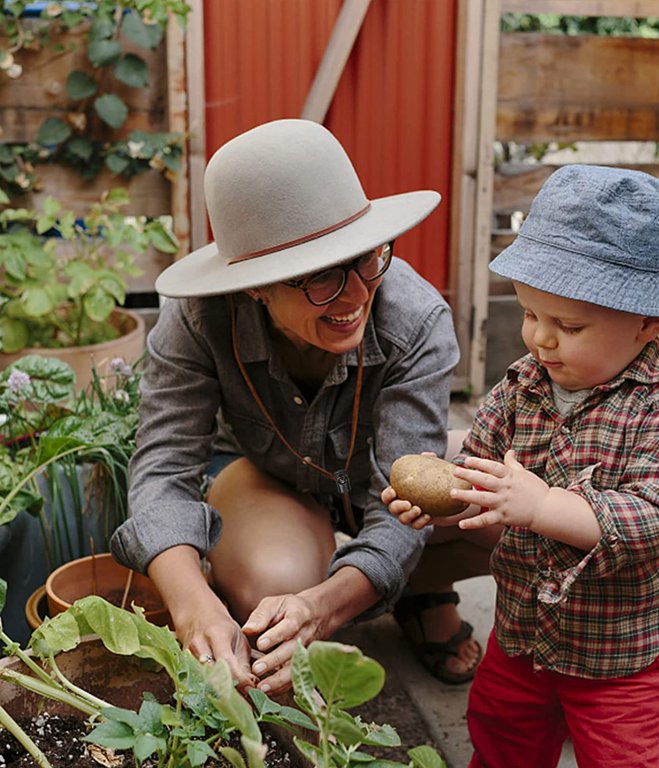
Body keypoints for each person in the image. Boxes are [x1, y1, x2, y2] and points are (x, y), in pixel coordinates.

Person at [110, 118, 491, 695]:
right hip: (275, 481)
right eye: (322, 279)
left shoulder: (415, 318)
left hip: (384, 483)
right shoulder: (199, 320)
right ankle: (351, 585)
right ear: (256, 287)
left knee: (510, 503)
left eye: (368, 258)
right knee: (273, 578)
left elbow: (402, 499)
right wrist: (193, 606)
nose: (359, 294)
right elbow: (163, 468)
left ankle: (420, 589)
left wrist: (326, 608)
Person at [385, 165, 659, 767]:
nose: (541, 339)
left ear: (648, 322)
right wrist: (442, 498)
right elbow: (481, 468)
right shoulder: (521, 387)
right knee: (502, 740)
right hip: (524, 635)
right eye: (531, 314)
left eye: (570, 325)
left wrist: (543, 507)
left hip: (623, 656)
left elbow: (656, 520)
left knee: (621, 758)